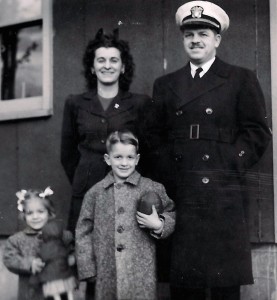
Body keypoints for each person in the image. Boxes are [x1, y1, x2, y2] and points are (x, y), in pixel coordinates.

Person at [146, 1, 272, 299]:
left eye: (203, 33)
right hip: (183, 190)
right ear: (183, 39)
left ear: (217, 39)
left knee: (224, 282)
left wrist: (230, 162)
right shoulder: (165, 84)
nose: (195, 40)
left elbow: (257, 132)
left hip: (224, 190)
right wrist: (171, 170)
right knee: (184, 283)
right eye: (189, 35)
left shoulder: (240, 78)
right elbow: (153, 136)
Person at [60, 28, 151, 235]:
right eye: (101, 60)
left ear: (123, 67)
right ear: (92, 67)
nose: (107, 66)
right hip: (86, 192)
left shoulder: (140, 103)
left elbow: (148, 153)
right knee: (86, 252)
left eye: (113, 60)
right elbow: (67, 155)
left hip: (128, 190)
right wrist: (85, 177)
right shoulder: (75, 103)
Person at [75, 130, 175, 300]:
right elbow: (83, 231)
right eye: (118, 157)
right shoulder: (95, 193)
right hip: (106, 272)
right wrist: (88, 268)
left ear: (137, 159)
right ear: (108, 159)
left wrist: (160, 225)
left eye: (129, 157)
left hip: (140, 272)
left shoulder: (151, 187)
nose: (124, 163)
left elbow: (171, 212)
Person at [3, 187, 75, 300]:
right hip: (31, 293)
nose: (35, 217)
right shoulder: (17, 239)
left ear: (49, 213)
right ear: (24, 215)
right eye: (30, 213)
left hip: (58, 290)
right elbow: (9, 258)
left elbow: (72, 250)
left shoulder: (63, 235)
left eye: (40, 212)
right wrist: (29, 263)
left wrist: (71, 258)